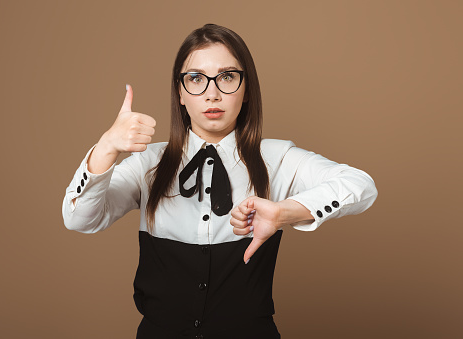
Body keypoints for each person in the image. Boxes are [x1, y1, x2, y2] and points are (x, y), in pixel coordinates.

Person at [62, 23, 378, 339]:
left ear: (247, 90)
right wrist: (106, 147)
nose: (212, 93)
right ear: (180, 94)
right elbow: (79, 219)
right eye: (196, 79)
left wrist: (285, 212)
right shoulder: (149, 163)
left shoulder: (277, 158)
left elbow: (361, 186)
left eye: (227, 77)